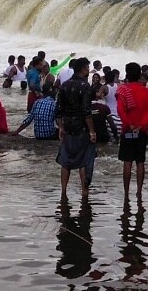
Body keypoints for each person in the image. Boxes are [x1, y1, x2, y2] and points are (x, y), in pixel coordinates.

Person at [56, 57, 96, 200]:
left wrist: (60, 127)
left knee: (66, 160)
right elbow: (87, 111)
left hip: (67, 127)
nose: (88, 71)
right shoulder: (85, 87)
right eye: (87, 68)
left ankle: (63, 191)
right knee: (84, 160)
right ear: (82, 69)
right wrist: (92, 131)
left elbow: (58, 109)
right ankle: (84, 192)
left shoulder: (64, 85)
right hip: (82, 128)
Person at [117, 62, 148, 202]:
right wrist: (140, 125)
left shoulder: (122, 90)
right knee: (140, 161)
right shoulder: (147, 91)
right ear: (139, 75)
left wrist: (130, 124)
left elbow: (121, 111)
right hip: (142, 130)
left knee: (127, 162)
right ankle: (139, 192)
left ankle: (126, 193)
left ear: (126, 74)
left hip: (127, 129)